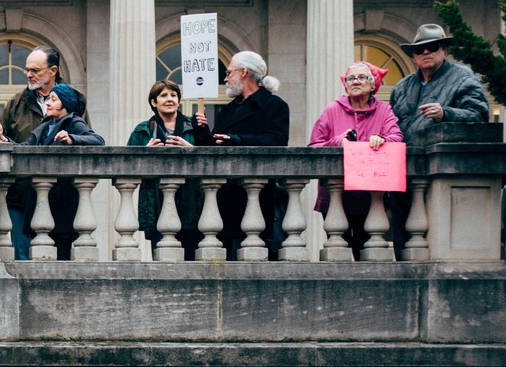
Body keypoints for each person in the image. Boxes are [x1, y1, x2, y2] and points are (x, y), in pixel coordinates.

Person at [192, 50, 290, 258]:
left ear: (244, 72)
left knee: (258, 254)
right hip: (226, 194)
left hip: (258, 192)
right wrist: (201, 132)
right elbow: (214, 148)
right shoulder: (228, 110)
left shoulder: (275, 106)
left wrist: (238, 141)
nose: (225, 78)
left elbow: (277, 141)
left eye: (229, 72)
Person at [309, 61, 404, 257]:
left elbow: (397, 137)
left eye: (361, 78)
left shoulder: (384, 110)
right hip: (336, 197)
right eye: (351, 78)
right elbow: (313, 147)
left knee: (367, 253)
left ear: (372, 85)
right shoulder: (331, 110)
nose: (355, 82)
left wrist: (382, 139)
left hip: (370, 198)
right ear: (345, 85)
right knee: (337, 254)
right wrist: (338, 141)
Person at [21, 84, 103, 260]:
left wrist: (72, 138)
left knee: (61, 254)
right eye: (48, 99)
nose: (47, 103)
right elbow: (24, 148)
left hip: (61, 203)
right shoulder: (44, 127)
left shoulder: (73, 122)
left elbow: (97, 140)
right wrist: (4, 138)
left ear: (65, 104)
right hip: (40, 200)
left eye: (53, 99)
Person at [126, 79, 203, 258]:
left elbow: (212, 162)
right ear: (154, 102)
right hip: (156, 202)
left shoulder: (195, 128)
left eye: (174, 95)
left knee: (192, 259)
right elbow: (126, 166)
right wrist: (145, 155)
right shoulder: (142, 131)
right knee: (162, 260)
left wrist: (191, 150)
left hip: (190, 201)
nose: (170, 99)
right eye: (163, 95)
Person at [2, 47, 62, 258]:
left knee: (61, 259)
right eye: (27, 69)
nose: (29, 75)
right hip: (20, 196)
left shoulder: (71, 101)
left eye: (35, 70)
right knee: (22, 256)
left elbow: (87, 142)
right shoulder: (15, 104)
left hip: (60, 195)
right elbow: (4, 144)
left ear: (52, 70)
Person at [388, 24, 491, 145]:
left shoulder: (463, 77)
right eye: (419, 49)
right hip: (405, 158)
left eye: (432, 47)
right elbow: (389, 126)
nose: (426, 52)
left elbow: (479, 116)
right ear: (414, 58)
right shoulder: (401, 87)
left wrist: (445, 114)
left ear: (446, 53)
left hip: (443, 160)